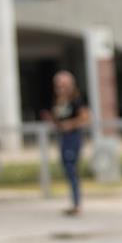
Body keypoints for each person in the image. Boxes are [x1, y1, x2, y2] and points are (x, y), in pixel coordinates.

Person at [40, 71, 91, 216]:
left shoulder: (77, 99)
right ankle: (74, 202)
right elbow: (58, 120)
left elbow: (85, 118)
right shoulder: (58, 100)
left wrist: (69, 124)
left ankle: (77, 204)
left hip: (73, 137)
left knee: (71, 169)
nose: (59, 88)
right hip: (63, 137)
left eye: (62, 85)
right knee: (66, 169)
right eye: (57, 85)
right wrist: (51, 120)